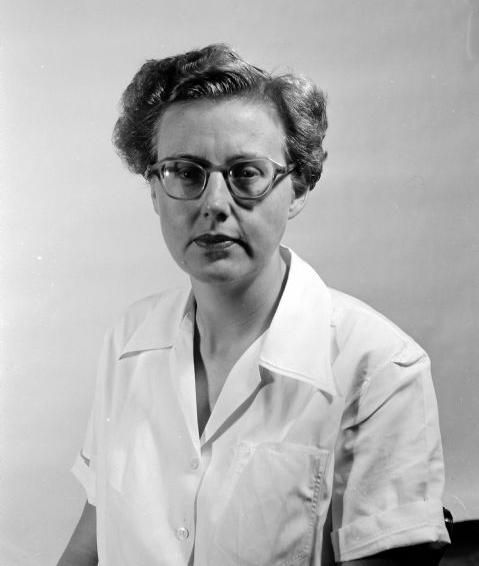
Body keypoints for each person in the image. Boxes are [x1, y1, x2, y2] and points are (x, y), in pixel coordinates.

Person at [57, 44, 450, 566]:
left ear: (299, 187)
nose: (214, 204)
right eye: (184, 171)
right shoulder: (128, 338)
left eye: (245, 173)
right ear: (154, 189)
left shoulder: (381, 369)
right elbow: (92, 536)